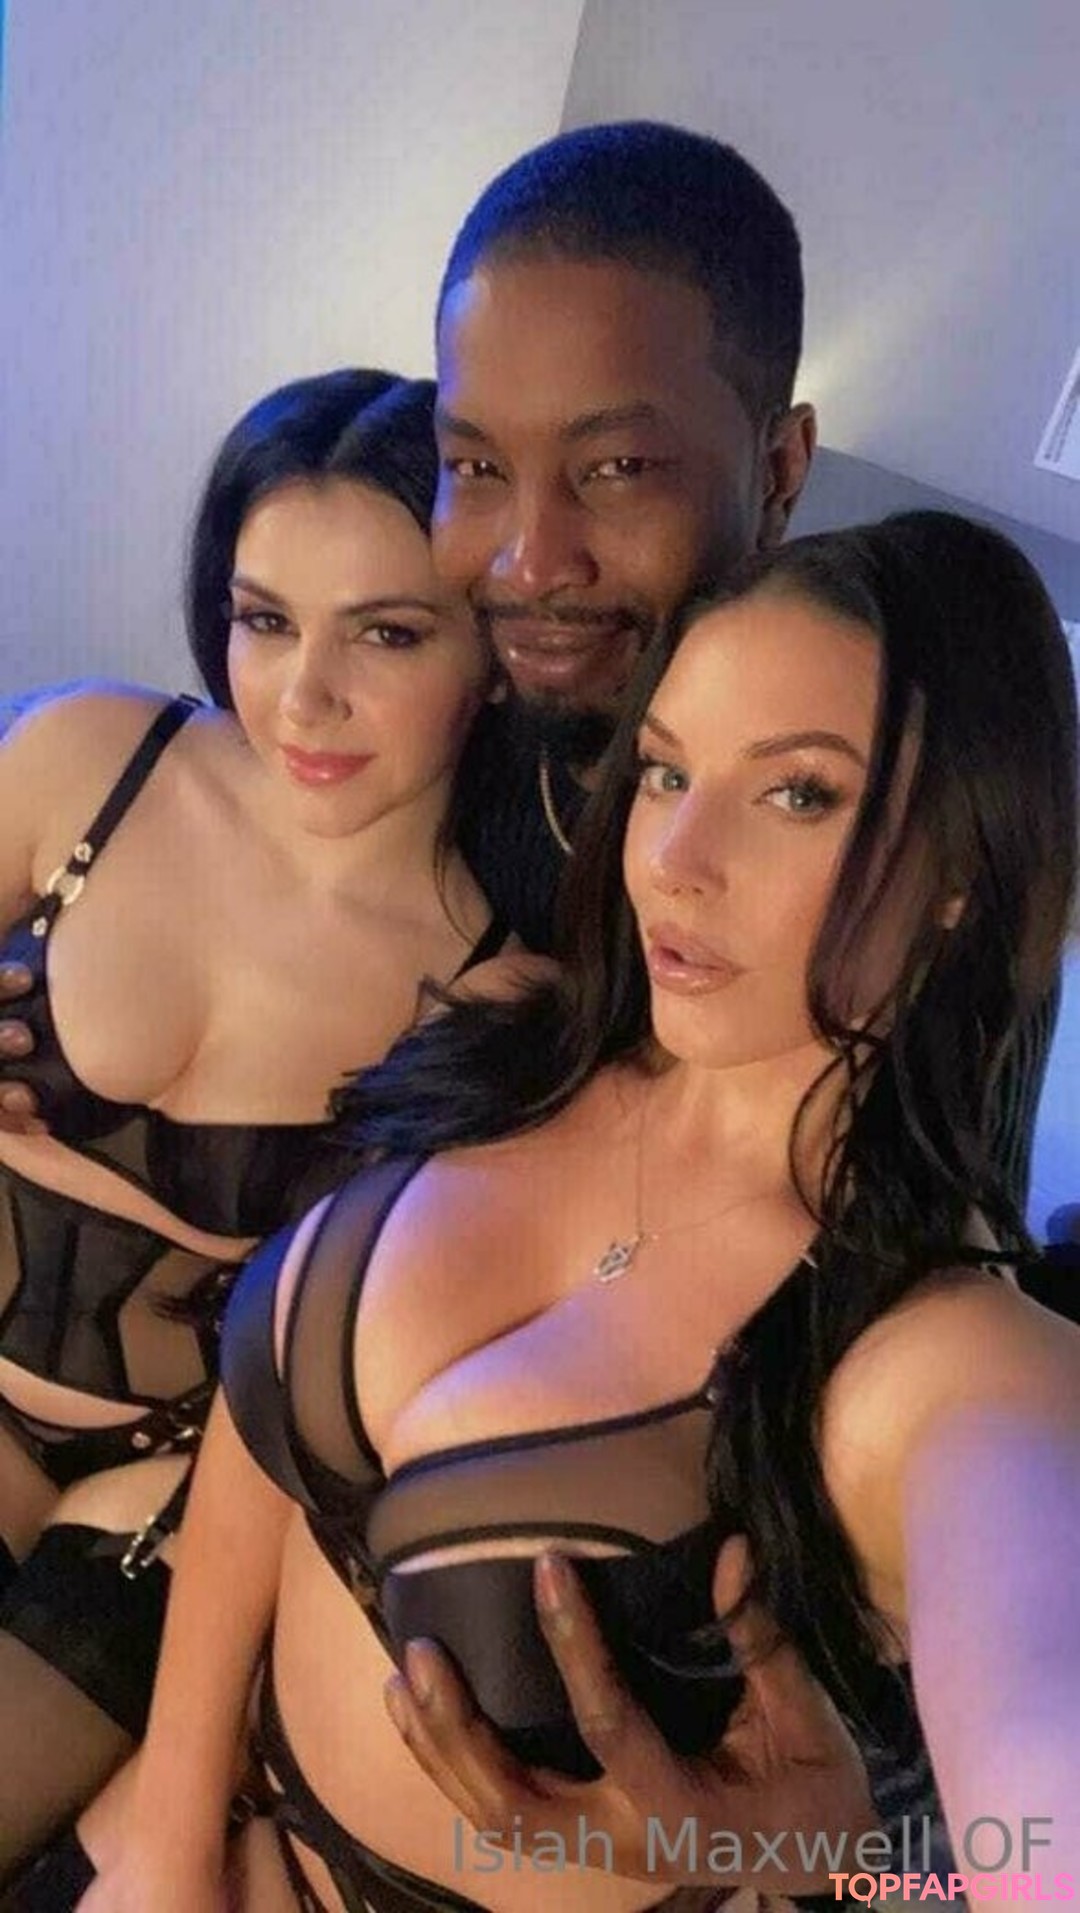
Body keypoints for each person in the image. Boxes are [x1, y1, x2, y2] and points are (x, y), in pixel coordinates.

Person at [75, 511, 1080, 1913]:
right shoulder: (516, 1041)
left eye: (798, 794)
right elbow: (266, 1449)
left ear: (964, 875)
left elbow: (1044, 1811)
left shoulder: (949, 1362)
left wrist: (846, 1851)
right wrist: (172, 1838)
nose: (675, 857)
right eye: (665, 770)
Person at [0, 120, 1051, 1214]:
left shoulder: (893, 856)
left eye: (618, 466)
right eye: (477, 466)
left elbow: (935, 1233)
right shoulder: (437, 735)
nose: (529, 563)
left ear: (779, 470)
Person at [0, 366, 506, 1873]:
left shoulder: (494, 995)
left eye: (388, 634)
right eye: (265, 619)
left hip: (160, 1488)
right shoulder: (89, 762)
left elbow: (332, 1388)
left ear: (493, 648)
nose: (303, 695)